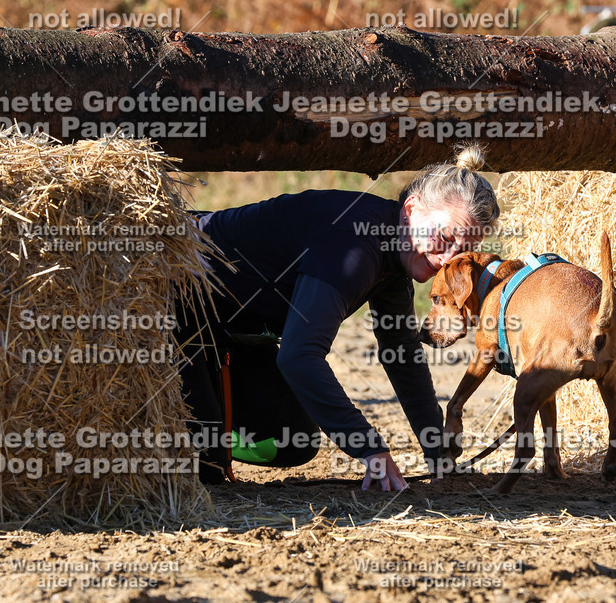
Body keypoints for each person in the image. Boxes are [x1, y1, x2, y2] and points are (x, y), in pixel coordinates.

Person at [174, 144, 499, 491]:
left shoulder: (396, 255)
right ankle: (200, 444)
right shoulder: (356, 245)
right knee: (203, 469)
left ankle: (209, 438)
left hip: (229, 332)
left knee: (292, 440)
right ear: (412, 208)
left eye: (461, 250)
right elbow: (299, 356)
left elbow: (402, 355)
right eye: (444, 236)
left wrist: (438, 449)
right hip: (168, 308)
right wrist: (369, 448)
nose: (445, 258)